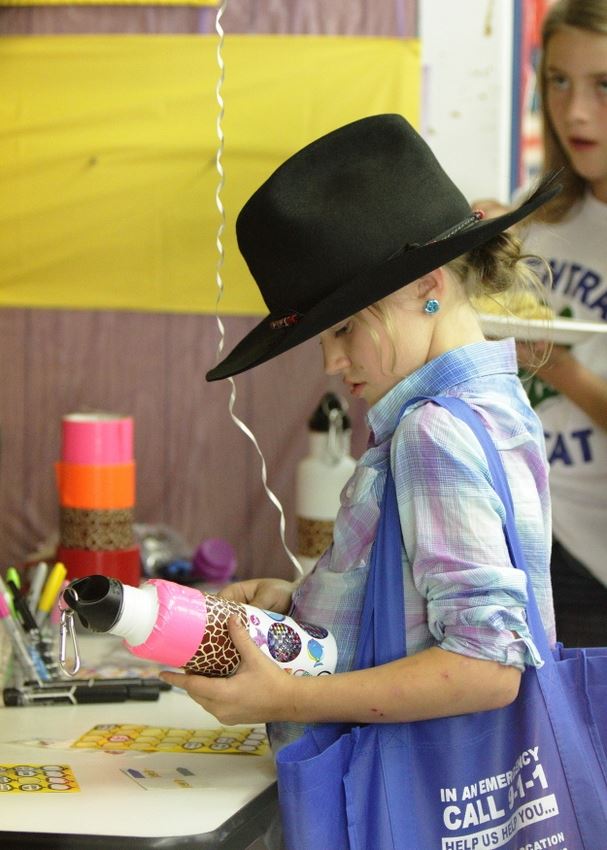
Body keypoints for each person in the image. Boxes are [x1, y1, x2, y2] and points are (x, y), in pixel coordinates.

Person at [160, 114, 557, 840]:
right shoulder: (496, 403)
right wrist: (302, 607)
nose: (330, 362)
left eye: (344, 327)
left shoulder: (432, 431)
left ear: (427, 286)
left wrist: (283, 697)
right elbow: (422, 612)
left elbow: (485, 667)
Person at [475, 0, 607, 647]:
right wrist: (477, 250)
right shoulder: (540, 210)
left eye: (603, 85)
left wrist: (557, 368)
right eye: (557, 80)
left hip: (592, 556)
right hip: (512, 524)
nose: (574, 111)